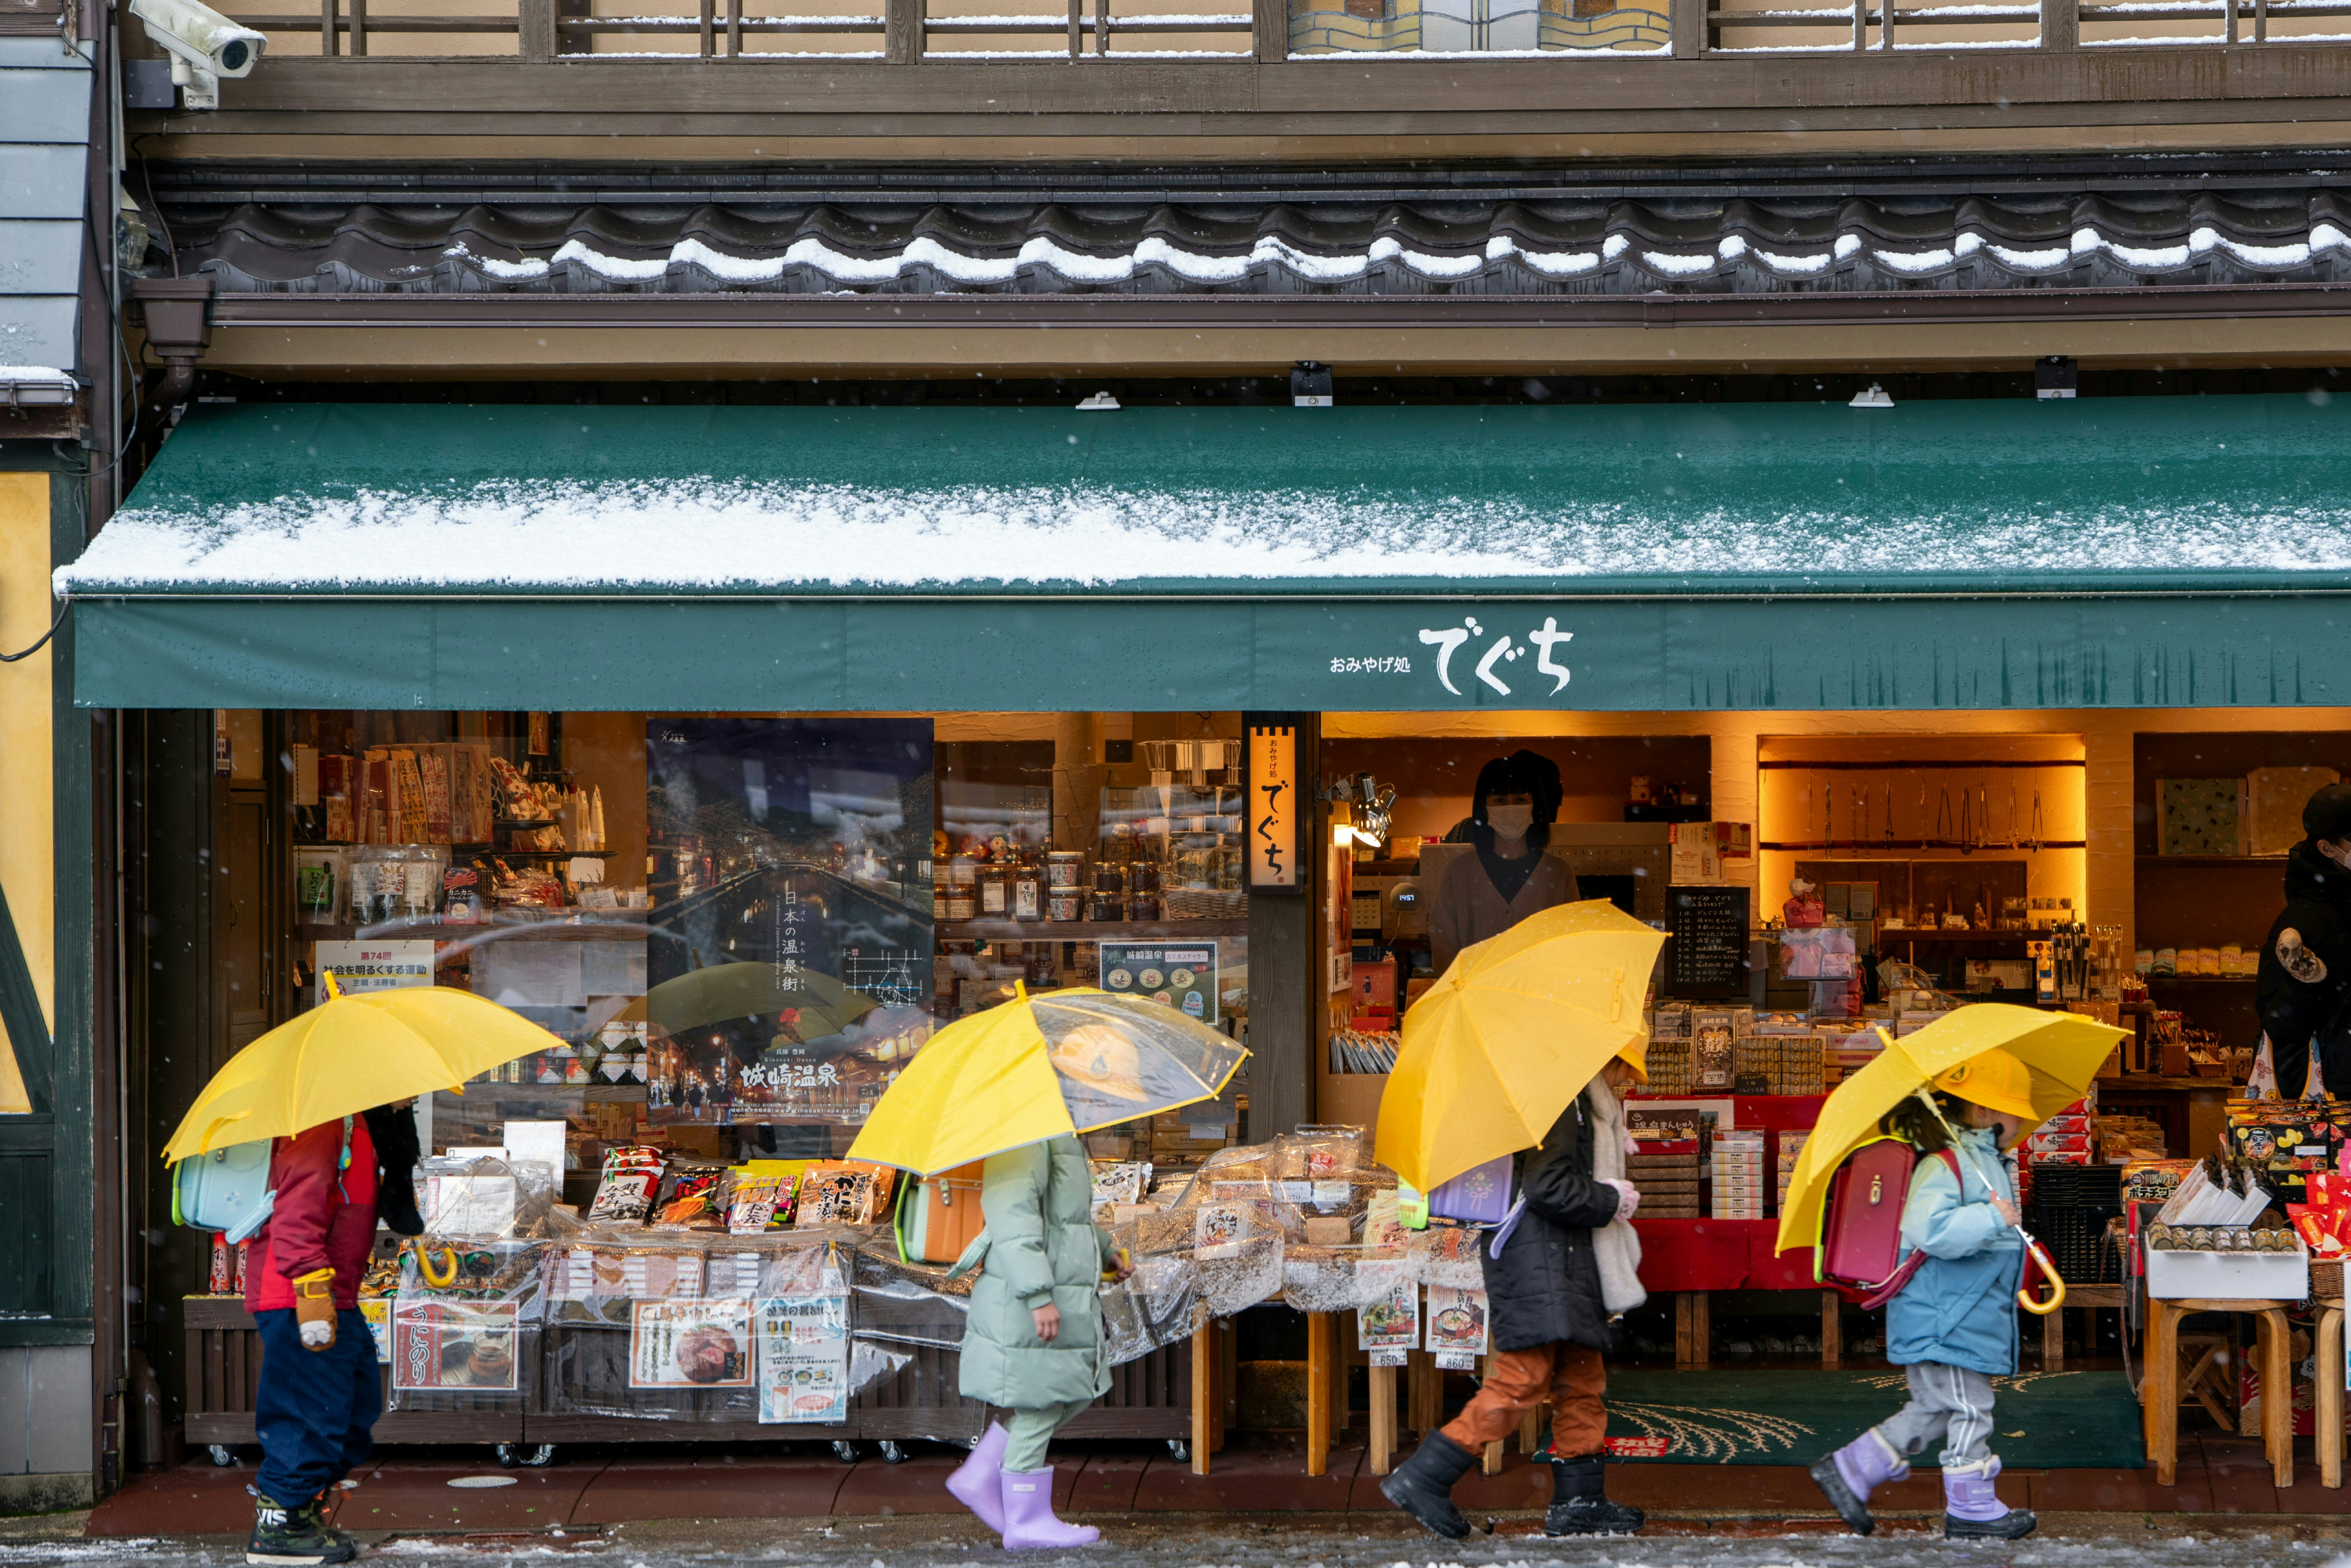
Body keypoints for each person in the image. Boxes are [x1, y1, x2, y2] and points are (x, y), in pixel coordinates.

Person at [1382, 1055, 1647, 1538]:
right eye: (1623, 1072)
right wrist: (1609, 1198)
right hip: (1542, 1260)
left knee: (1581, 1377)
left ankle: (1580, 1502)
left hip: (1563, 1261)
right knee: (1523, 1377)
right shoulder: (1561, 1103)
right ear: (1602, 1062)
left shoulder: (1577, 1101)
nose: (1627, 1082)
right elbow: (1547, 1187)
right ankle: (1423, 1478)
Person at [1808, 1054, 2041, 1541]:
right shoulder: (1946, 1163)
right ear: (1982, 1110)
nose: (2021, 1119)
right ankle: (1970, 1506)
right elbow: (1928, 1229)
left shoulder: (1982, 1161)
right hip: (1948, 1314)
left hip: (1960, 1310)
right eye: (2013, 1109)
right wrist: (1993, 1219)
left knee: (1935, 1408)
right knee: (1970, 1406)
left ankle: (1850, 1469)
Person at [244, 1103, 422, 1566]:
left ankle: (300, 1503)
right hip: (302, 1294)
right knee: (309, 1407)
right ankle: (281, 1523)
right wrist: (310, 1286)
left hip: (335, 1293)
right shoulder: (325, 1118)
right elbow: (297, 1206)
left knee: (356, 1405)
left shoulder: (360, 1122)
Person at [944, 1133, 1131, 1549]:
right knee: (1043, 1400)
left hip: (1054, 1291)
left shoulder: (1052, 1131)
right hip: (1029, 1295)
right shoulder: (1026, 1133)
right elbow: (1011, 1217)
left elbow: (1062, 1219)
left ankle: (982, 1475)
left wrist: (1104, 1251)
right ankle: (1026, 1520)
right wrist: (1037, 1294)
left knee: (1072, 1391)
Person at [1428, 750, 1579, 978]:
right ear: (1484, 808)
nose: (1511, 808)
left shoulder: (1558, 875)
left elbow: (1571, 950)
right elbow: (1444, 950)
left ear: (1534, 805)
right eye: (1500, 801)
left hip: (1538, 1005)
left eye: (1520, 800)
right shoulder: (1459, 873)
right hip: (1475, 1007)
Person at [2255, 782, 2351, 1097]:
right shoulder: (2301, 921)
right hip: (2332, 1100)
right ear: (2327, 848)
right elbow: (2277, 1026)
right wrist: (2303, 981)